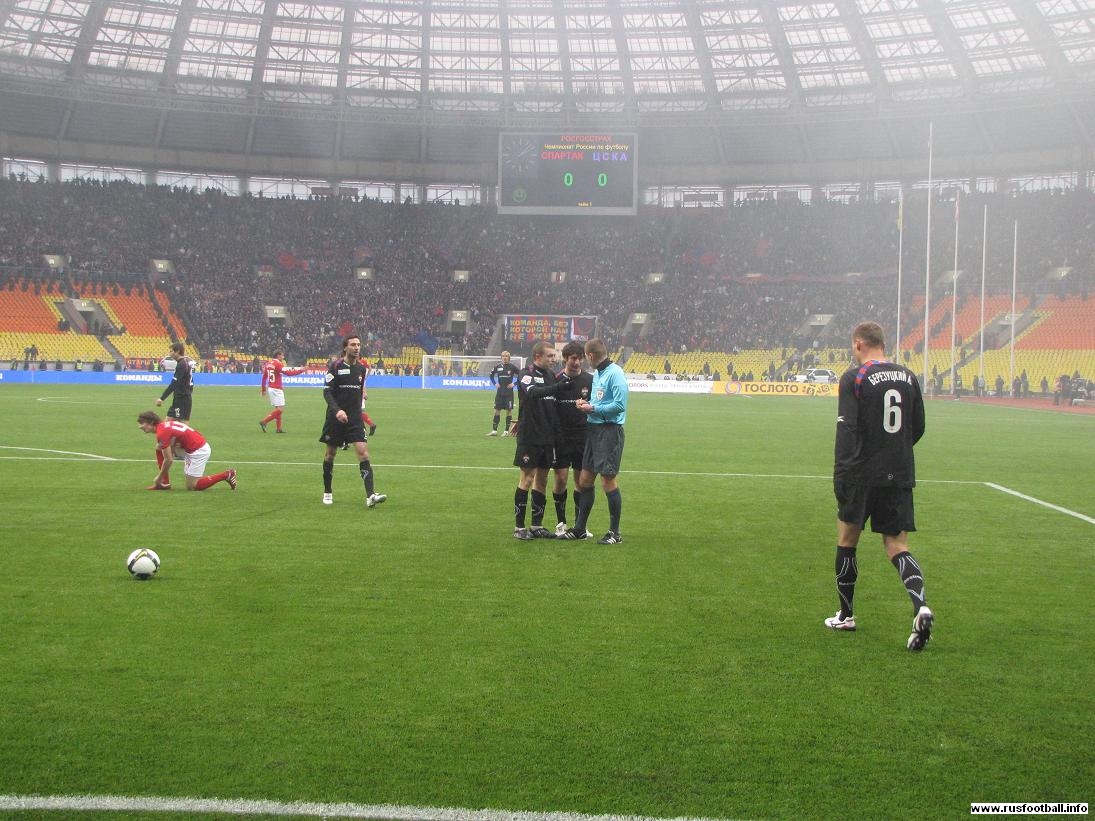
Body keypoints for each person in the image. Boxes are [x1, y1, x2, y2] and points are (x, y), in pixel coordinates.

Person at [825, 321, 933, 652]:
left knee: (847, 540)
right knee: (897, 544)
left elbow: (847, 429)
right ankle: (920, 606)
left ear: (859, 344)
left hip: (860, 473)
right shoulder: (908, 377)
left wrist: (842, 473)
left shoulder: (854, 377)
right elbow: (918, 427)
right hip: (898, 473)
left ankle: (846, 615)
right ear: (883, 344)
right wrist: (893, 451)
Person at [560, 338, 629, 544]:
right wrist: (587, 404)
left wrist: (593, 408)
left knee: (608, 480)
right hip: (593, 429)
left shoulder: (615, 373)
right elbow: (600, 400)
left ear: (590, 356)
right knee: (585, 480)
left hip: (609, 431)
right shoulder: (599, 372)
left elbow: (620, 405)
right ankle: (580, 529)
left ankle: (615, 533)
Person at [319, 334, 386, 508]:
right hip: (335, 418)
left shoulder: (361, 369)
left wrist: (363, 393)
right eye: (353, 344)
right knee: (330, 455)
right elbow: (327, 392)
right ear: (345, 347)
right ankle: (327, 491)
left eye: (358, 344)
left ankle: (370, 495)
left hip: (355, 419)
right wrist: (338, 410)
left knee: (363, 454)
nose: (356, 347)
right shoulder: (335, 366)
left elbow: (360, 388)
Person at [511, 341, 567, 539]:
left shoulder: (551, 376)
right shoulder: (525, 373)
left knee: (542, 479)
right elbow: (533, 392)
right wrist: (557, 387)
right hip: (530, 436)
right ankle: (519, 528)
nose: (554, 359)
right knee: (526, 479)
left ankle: (537, 525)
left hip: (548, 437)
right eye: (550, 356)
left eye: (554, 355)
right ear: (537, 357)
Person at [551, 341, 595, 537]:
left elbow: (596, 405)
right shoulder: (556, 379)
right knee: (561, 479)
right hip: (560, 437)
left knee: (581, 481)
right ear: (565, 359)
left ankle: (580, 526)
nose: (576, 362)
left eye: (579, 358)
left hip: (582, 436)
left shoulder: (590, 380)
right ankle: (561, 524)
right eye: (573, 358)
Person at [137, 410, 236, 492]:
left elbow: (169, 460)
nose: (140, 426)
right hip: (193, 446)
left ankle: (226, 475)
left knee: (192, 486)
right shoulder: (164, 425)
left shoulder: (162, 432)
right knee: (159, 447)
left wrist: (158, 478)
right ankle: (164, 483)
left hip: (198, 451)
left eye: (142, 423)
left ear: (151, 422)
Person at [260, 350, 306, 433]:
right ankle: (264, 421)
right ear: (278, 356)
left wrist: (263, 390)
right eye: (282, 355)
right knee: (280, 409)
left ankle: (278, 429)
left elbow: (264, 378)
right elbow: (288, 373)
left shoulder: (268, 364)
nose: (283, 357)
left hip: (271, 388)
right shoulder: (278, 364)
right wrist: (301, 370)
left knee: (277, 409)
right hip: (277, 389)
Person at [155, 342, 194, 422]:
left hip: (181, 400)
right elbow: (191, 382)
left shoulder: (181, 365)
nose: (169, 353)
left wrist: (162, 398)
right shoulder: (185, 363)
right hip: (182, 398)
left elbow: (174, 384)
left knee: (176, 425)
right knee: (171, 424)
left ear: (177, 351)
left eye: (171, 351)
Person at [487, 351, 521, 436]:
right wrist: (495, 383)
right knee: (496, 411)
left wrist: (514, 384)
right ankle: (494, 431)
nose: (504, 357)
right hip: (499, 393)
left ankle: (506, 431)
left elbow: (522, 375)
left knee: (508, 411)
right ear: (501, 357)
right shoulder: (497, 367)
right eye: (503, 356)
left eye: (506, 356)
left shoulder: (512, 367)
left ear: (509, 357)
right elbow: (491, 375)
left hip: (509, 393)